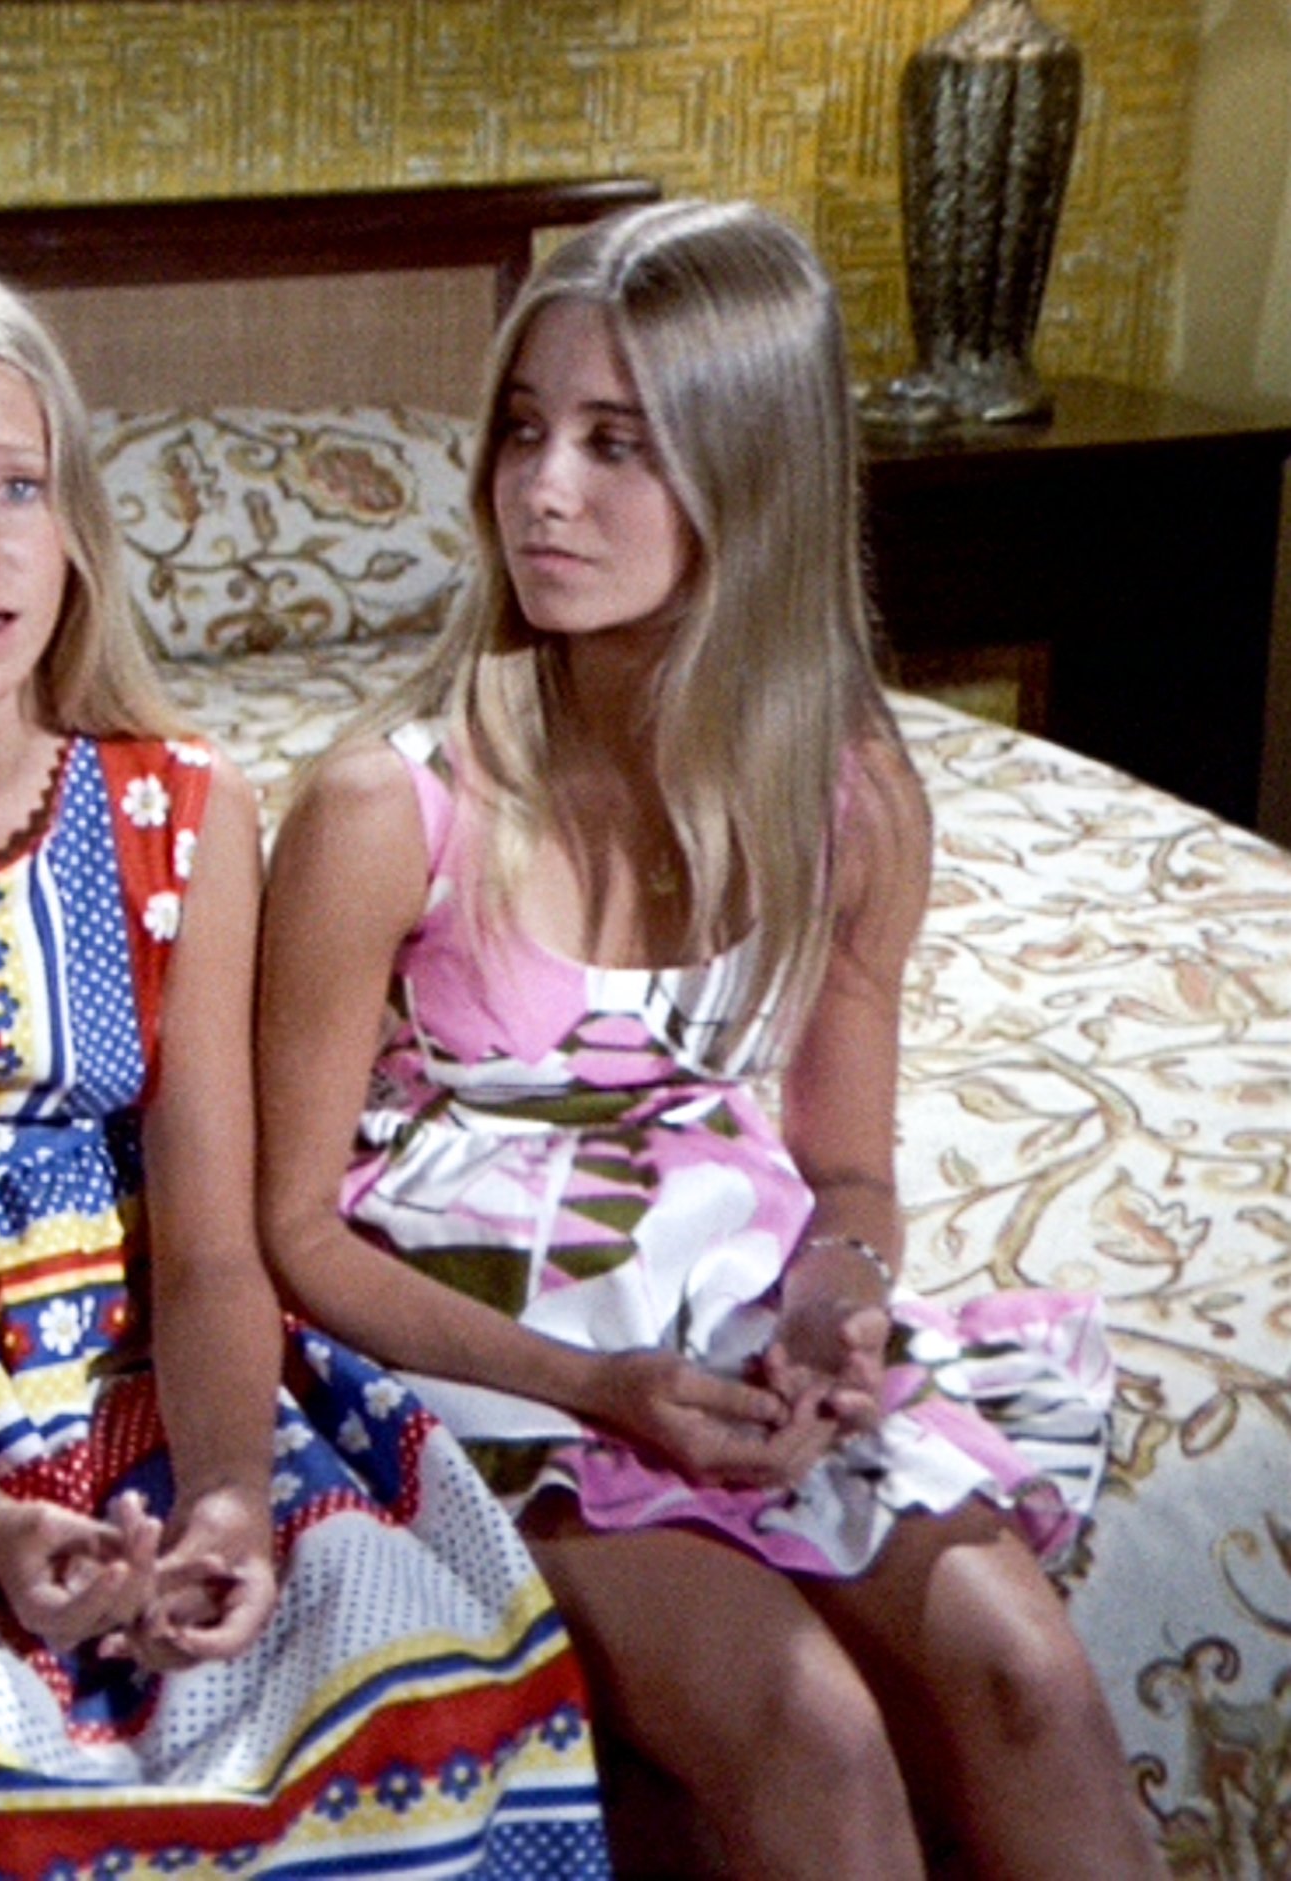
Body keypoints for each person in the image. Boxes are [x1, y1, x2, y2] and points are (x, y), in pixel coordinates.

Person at [0, 260, 616, 1878]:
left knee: (387, 1664)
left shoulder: (178, 806)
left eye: (20, 486)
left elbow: (218, 1246)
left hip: (162, 1391)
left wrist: (227, 1502)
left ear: (77, 518)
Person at [255, 199, 1160, 1880]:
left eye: (620, 444)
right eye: (525, 431)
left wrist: (843, 1294)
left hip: (725, 1318)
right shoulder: (391, 808)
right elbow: (290, 1227)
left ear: (753, 472)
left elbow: (847, 1167)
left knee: (1026, 1670)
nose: (544, 490)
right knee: (808, 1730)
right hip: (490, 1361)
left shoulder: (848, 798)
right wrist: (598, 1389)